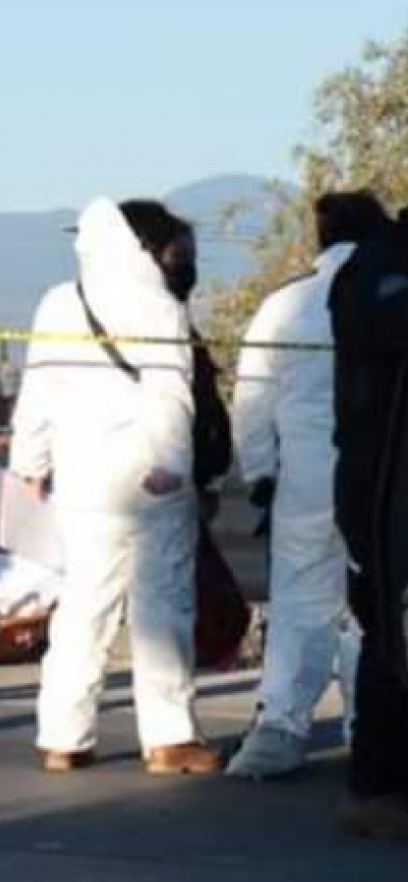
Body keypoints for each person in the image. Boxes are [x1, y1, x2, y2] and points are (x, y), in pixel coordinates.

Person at [10, 197, 219, 775]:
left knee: (81, 609)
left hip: (79, 482)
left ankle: (63, 736)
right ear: (147, 246)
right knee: (161, 608)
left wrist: (29, 463)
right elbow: (171, 394)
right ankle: (170, 738)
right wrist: (174, 466)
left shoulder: (57, 302)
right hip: (146, 480)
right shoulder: (158, 303)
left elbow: (37, 393)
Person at [227, 193, 375, 781]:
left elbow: (252, 401)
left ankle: (279, 729)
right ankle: (370, 731)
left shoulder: (284, 304)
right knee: (375, 608)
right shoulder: (392, 294)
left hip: (305, 479)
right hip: (380, 477)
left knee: (297, 604)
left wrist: (260, 474)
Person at [328, 193, 408, 838]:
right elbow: (378, 329)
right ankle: (376, 786)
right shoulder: (376, 271)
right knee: (389, 632)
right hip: (384, 489)